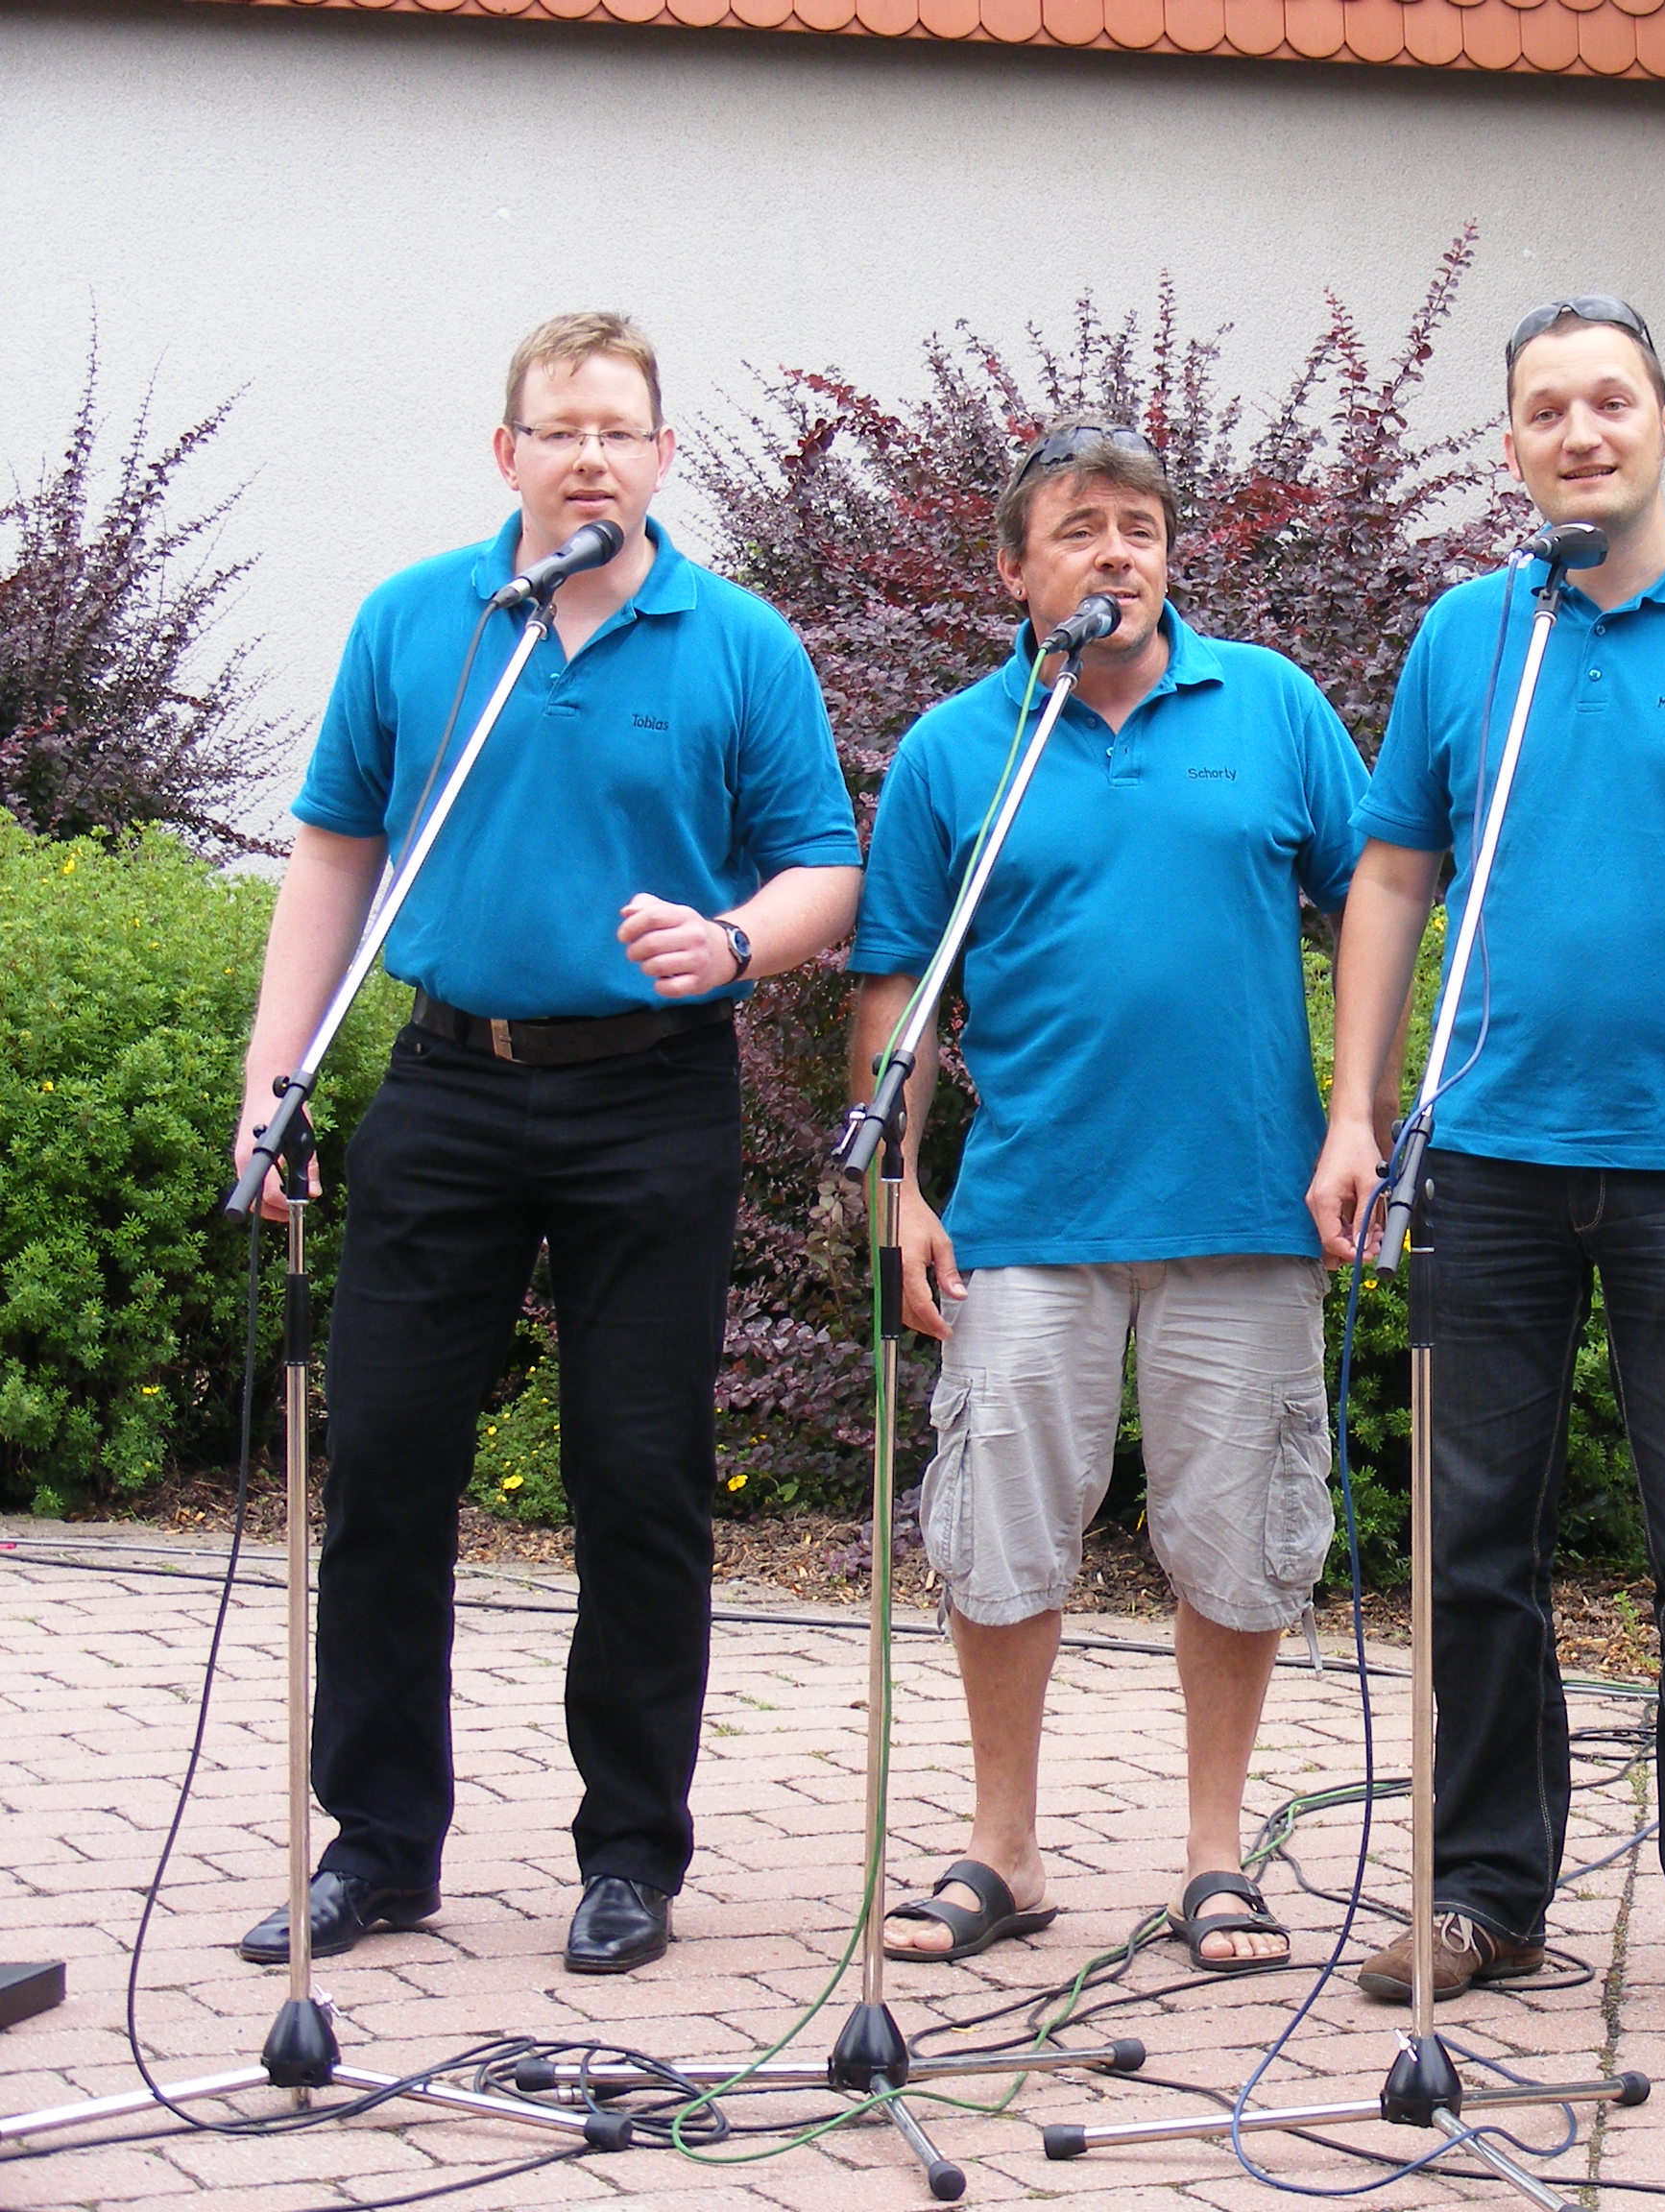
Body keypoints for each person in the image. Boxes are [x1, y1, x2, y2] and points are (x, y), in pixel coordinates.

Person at [231, 311, 863, 1976]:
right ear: (506, 451)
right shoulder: (420, 622)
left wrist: (735, 939)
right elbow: (333, 853)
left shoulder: (737, 643)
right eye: (561, 428)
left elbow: (826, 867)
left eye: (619, 429)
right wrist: (274, 1081)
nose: (591, 456)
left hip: (651, 1094)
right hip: (449, 1082)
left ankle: (631, 1852)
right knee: (384, 1460)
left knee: (638, 1476)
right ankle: (380, 1847)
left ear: (662, 454)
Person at [1306, 297, 1665, 2029]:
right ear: (1511, 446)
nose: (1580, 432)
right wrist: (1356, 1111)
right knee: (1474, 1547)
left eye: (1610, 401)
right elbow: (1393, 874)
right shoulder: (1469, 636)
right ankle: (1485, 1890)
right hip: (1485, 1159)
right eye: (1546, 410)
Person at [854, 421, 1367, 1972]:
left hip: (1246, 1211)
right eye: (1079, 529)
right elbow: (896, 984)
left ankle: (1216, 1855)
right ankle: (1004, 1849)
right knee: (1001, 1535)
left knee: (1240, 1536)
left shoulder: (1272, 708)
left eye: (1139, 526)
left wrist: (1358, 1118)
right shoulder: (961, 749)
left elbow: (1377, 910)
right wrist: (897, 1189)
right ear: (1017, 572)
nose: (1116, 553)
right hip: (1029, 1216)